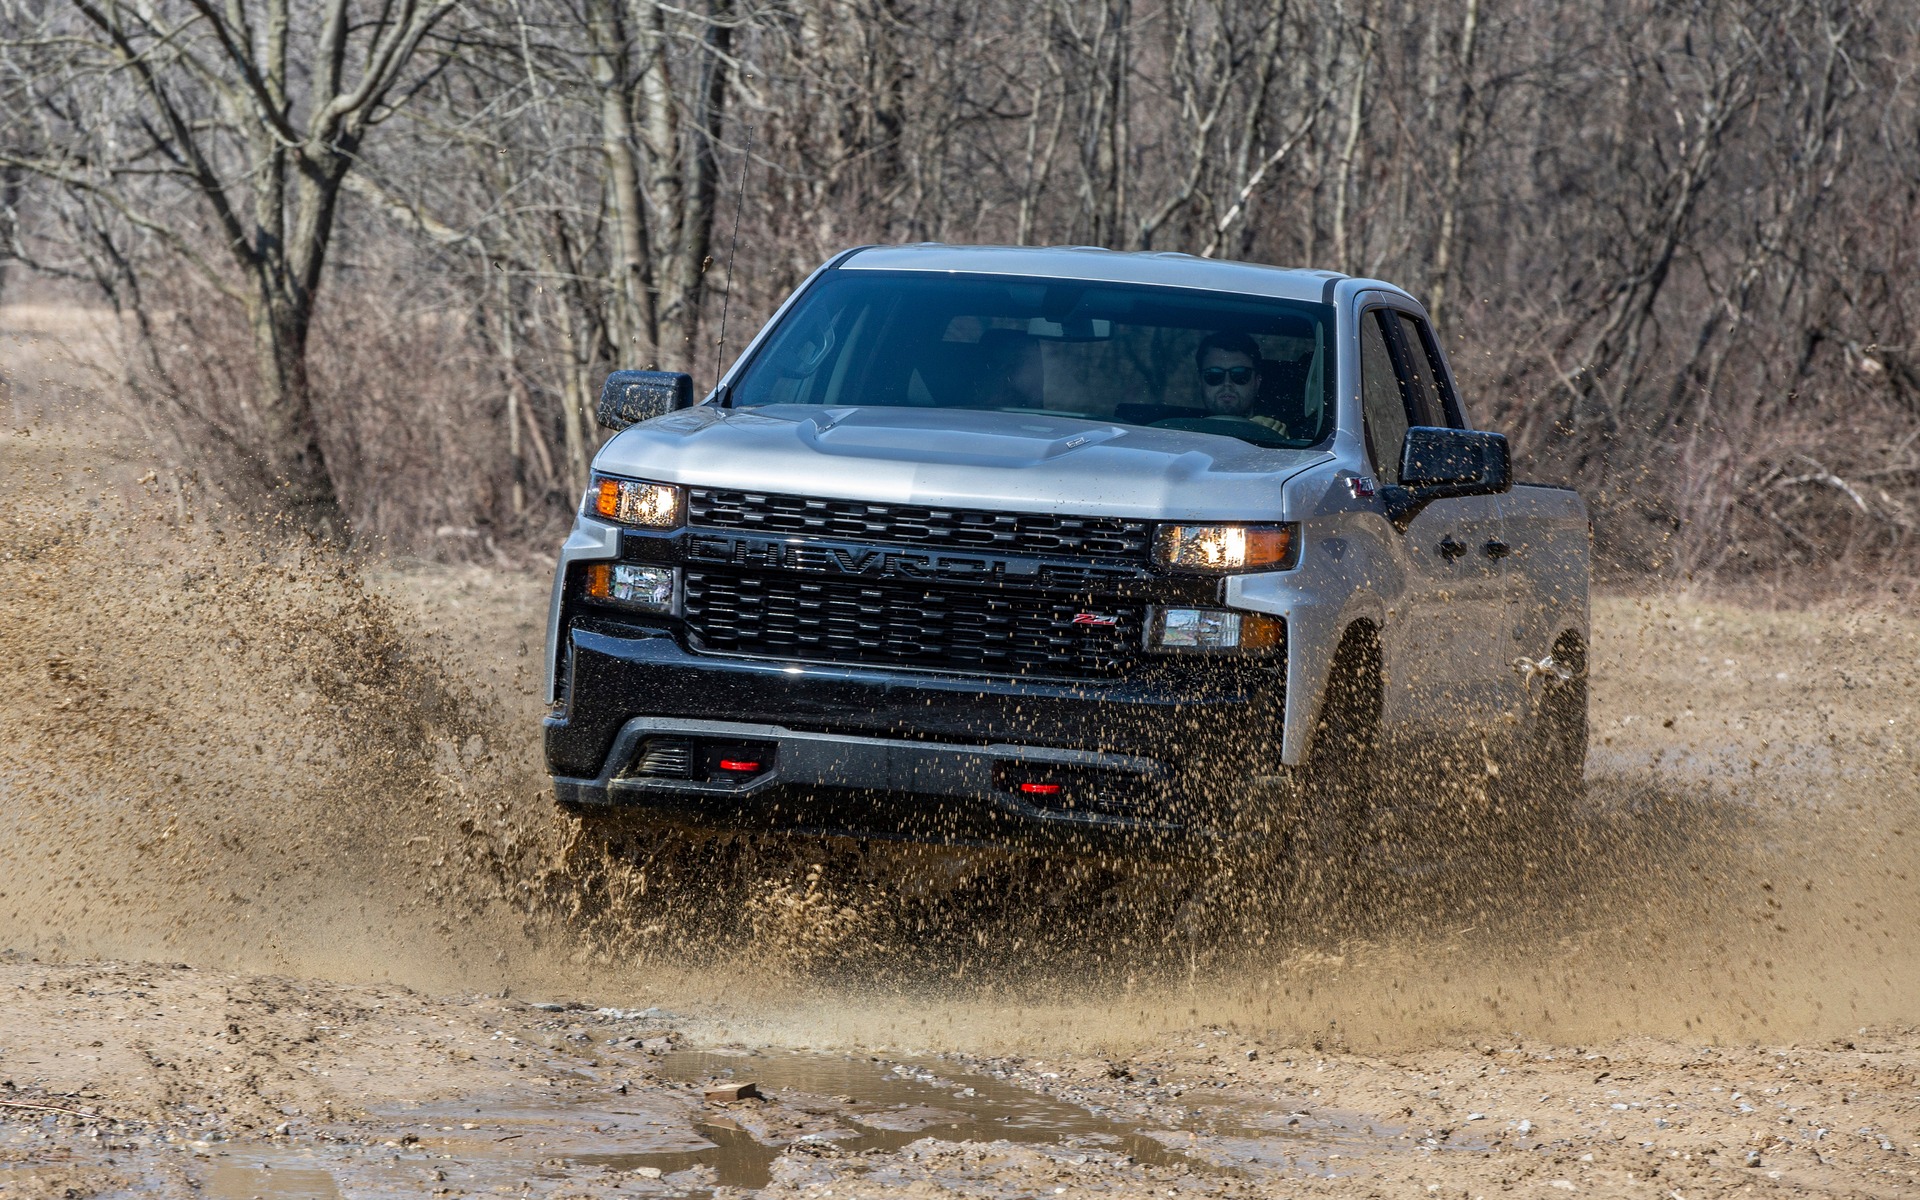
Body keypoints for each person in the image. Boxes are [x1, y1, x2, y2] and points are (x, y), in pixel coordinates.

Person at [1195, 331, 1287, 434]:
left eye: (1240, 375)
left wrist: (1275, 437)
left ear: (1257, 381)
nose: (1227, 383)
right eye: (1214, 375)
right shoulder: (1180, 435)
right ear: (1200, 381)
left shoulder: (1272, 432)